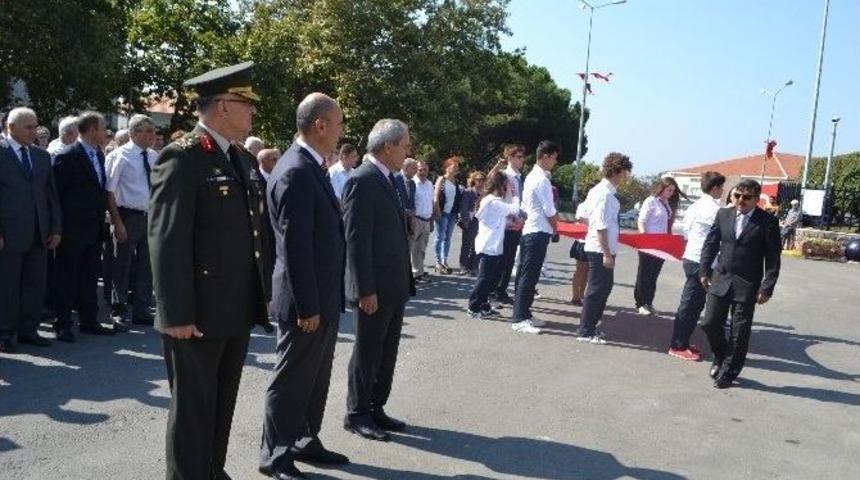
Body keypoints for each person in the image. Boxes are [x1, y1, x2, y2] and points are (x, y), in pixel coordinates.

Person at [148, 62, 274, 480]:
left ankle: (211, 471)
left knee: (222, 404)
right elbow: (167, 241)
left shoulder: (241, 158)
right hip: (197, 313)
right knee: (192, 411)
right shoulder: (183, 157)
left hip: (234, 307)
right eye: (246, 104)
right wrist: (176, 314)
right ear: (222, 106)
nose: (252, 112)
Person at [260, 93, 348, 480]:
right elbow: (295, 247)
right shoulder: (296, 169)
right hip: (304, 301)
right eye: (340, 123)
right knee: (292, 377)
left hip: (322, 296)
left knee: (315, 376)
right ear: (321, 125)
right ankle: (275, 455)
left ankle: (303, 439)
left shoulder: (312, 166)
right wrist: (307, 306)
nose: (343, 130)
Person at [342, 118, 414, 443]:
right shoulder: (363, 179)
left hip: (394, 285)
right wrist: (364, 289)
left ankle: (375, 406)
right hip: (374, 288)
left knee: (387, 352)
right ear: (388, 146)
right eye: (405, 145)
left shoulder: (391, 179)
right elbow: (356, 241)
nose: (408, 151)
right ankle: (357, 413)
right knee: (368, 351)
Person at [700, 179, 781, 389]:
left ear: (756, 199)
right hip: (720, 278)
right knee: (709, 323)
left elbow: (773, 259)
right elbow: (710, 243)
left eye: (746, 197)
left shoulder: (768, 222)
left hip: (747, 284)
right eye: (737, 196)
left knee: (740, 331)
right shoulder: (723, 214)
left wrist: (767, 287)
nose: (740, 201)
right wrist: (704, 271)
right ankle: (720, 355)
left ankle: (729, 371)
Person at [53, 111, 120, 341]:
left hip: (93, 228)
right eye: (103, 128)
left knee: (90, 277)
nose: (106, 133)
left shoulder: (99, 154)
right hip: (72, 230)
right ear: (92, 130)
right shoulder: (67, 156)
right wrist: (58, 229)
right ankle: (63, 323)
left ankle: (89, 320)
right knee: (67, 278)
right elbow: (57, 197)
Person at [0, 108, 62, 353]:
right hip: (9, 233)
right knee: (7, 286)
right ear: (11, 127)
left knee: (35, 285)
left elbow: (52, 196)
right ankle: (5, 332)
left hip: (39, 233)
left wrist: (56, 228)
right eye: (28, 127)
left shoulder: (41, 156)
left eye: (35, 126)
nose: (34, 131)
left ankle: (28, 329)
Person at [104, 114, 157, 327]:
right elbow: (109, 192)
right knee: (121, 265)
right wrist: (117, 222)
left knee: (147, 265)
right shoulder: (120, 155)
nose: (153, 135)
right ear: (135, 132)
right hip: (127, 215)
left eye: (153, 131)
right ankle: (119, 309)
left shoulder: (154, 156)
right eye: (148, 131)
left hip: (151, 216)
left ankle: (142, 309)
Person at [668, 171, 726, 361]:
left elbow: (685, 231)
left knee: (694, 304)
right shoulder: (713, 209)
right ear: (715, 187)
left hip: (693, 257)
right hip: (701, 260)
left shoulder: (695, 207)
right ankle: (677, 345)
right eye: (721, 187)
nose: (722, 191)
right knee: (691, 304)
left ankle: (682, 341)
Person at [577, 152, 633, 344]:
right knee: (597, 289)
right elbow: (600, 226)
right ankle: (586, 331)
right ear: (617, 171)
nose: (628, 177)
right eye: (626, 172)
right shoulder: (604, 194)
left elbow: (582, 214)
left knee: (604, 288)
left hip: (603, 248)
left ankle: (591, 325)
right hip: (601, 249)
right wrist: (607, 254)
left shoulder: (603, 191)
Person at [511, 141, 560, 334]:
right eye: (554, 158)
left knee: (526, 275)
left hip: (531, 231)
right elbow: (550, 210)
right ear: (545, 156)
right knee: (528, 277)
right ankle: (520, 318)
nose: (555, 162)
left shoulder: (532, 176)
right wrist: (556, 229)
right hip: (537, 231)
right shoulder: (541, 180)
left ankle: (524, 313)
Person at [467, 170, 525, 318]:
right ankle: (473, 307)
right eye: (505, 186)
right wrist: (515, 194)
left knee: (490, 279)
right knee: (484, 278)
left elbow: (501, 219)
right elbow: (514, 209)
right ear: (500, 185)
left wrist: (512, 221)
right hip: (488, 246)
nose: (506, 189)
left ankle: (484, 305)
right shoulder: (493, 201)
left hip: (493, 245)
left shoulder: (492, 201)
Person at [634, 177, 676, 316]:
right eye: (669, 190)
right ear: (662, 188)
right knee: (644, 274)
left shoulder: (667, 203)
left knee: (653, 275)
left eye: (673, 190)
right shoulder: (651, 200)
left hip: (662, 244)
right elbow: (641, 220)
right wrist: (643, 238)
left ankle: (649, 302)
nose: (671, 193)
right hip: (649, 243)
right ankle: (640, 303)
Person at [490, 144, 526, 305]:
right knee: (502, 259)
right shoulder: (504, 175)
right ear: (510, 158)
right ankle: (493, 290)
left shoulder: (521, 176)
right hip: (506, 222)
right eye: (518, 157)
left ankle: (501, 290)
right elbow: (490, 184)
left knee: (510, 259)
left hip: (518, 222)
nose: (522, 160)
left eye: (522, 157)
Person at [433, 157, 461, 273]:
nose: (455, 169)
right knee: (440, 237)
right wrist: (437, 210)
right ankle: (438, 262)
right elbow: (436, 196)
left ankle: (445, 261)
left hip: (452, 213)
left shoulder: (456, 182)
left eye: (457, 167)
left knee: (448, 238)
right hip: (443, 212)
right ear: (447, 167)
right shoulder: (442, 179)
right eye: (453, 166)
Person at [410, 160, 435, 282]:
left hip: (426, 219)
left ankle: (419, 271)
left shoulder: (430, 184)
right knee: (412, 248)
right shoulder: (412, 183)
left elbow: (431, 202)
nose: (423, 172)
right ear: (416, 169)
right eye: (420, 169)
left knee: (422, 248)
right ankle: (413, 274)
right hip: (416, 219)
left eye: (425, 169)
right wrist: (412, 220)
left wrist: (431, 220)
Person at [458, 171, 485, 275]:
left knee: (477, 244)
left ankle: (473, 265)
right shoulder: (468, 191)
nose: (481, 182)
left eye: (483, 180)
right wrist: (465, 220)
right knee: (467, 244)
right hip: (469, 220)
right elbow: (463, 208)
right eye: (478, 180)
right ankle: (463, 265)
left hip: (480, 220)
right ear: (474, 180)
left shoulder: (485, 192)